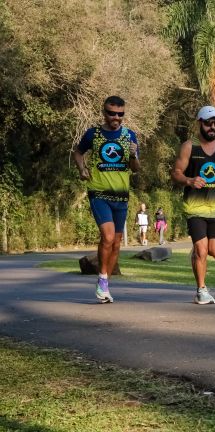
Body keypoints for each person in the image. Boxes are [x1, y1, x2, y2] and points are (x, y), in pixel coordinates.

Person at [72, 95, 140, 303]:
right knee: (108, 237)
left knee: (116, 244)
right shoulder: (94, 134)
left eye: (120, 114)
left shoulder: (130, 136)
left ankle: (104, 285)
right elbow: (77, 152)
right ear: (104, 113)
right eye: (112, 113)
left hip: (121, 195)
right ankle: (102, 280)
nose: (116, 118)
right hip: (99, 192)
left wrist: (133, 155)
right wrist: (82, 168)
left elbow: (136, 169)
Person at [171, 106, 215, 305]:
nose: (212, 127)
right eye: (208, 123)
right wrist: (189, 181)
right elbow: (176, 173)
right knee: (202, 250)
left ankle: (198, 253)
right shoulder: (189, 146)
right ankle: (201, 290)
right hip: (195, 208)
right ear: (200, 123)